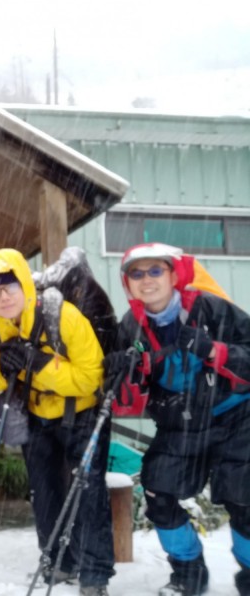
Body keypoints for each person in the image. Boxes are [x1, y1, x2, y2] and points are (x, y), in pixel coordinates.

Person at [105, 243, 250, 596]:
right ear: (128, 282)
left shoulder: (211, 308)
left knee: (243, 498)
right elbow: (126, 402)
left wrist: (215, 351)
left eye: (155, 270)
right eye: (136, 274)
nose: (147, 280)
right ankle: (189, 572)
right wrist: (124, 374)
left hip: (234, 417)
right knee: (158, 492)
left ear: (174, 275)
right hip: (179, 426)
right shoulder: (130, 328)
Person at [0, 248, 115, 596]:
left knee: (88, 491)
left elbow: (91, 377)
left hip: (81, 412)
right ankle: (58, 561)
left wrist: (36, 364)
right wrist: (4, 368)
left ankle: (95, 574)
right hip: (35, 414)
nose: (2, 297)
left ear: (25, 285)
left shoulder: (62, 317)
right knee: (43, 492)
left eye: (9, 287)